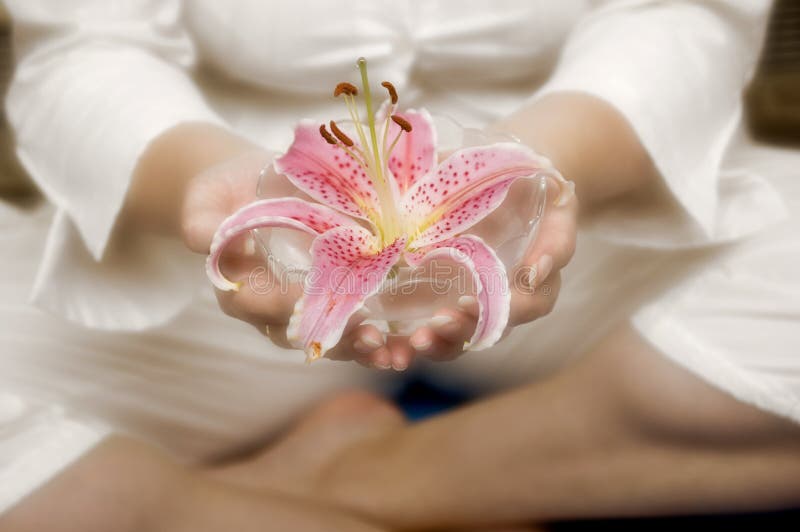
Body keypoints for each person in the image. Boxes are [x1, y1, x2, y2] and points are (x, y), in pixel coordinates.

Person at [1, 0, 799, 530]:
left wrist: (536, 164)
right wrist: (219, 187)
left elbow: (687, 14)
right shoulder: (258, 220)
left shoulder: (517, 190)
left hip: (574, 224)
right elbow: (82, 51)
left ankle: (366, 478)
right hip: (242, 260)